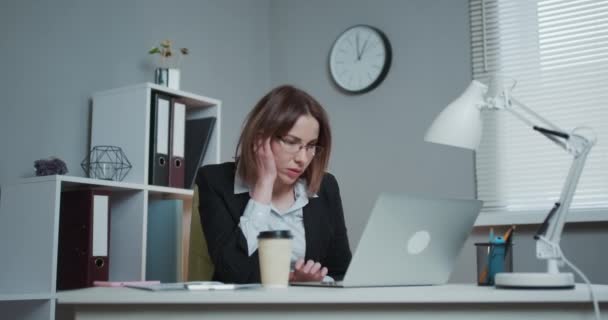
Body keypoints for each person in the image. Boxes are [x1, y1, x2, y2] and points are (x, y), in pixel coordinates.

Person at [196, 85, 352, 284]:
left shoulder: (326, 186)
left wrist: (316, 282)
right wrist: (264, 185)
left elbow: (341, 272)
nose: (302, 158)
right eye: (290, 141)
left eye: (311, 146)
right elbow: (232, 272)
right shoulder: (214, 181)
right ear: (259, 139)